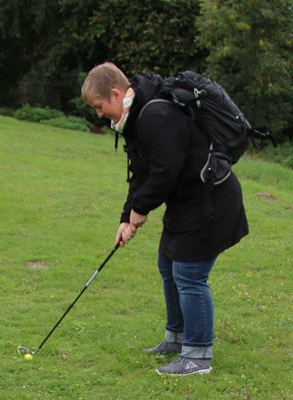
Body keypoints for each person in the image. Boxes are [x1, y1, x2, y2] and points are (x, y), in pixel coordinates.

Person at [81, 62, 248, 376]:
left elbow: (164, 172)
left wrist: (139, 212)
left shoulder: (155, 115)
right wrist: (125, 218)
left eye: (99, 106)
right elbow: (141, 174)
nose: (99, 114)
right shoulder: (135, 119)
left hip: (210, 198)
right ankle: (177, 337)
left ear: (115, 94)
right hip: (188, 201)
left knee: (190, 274)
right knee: (167, 262)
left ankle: (197, 357)